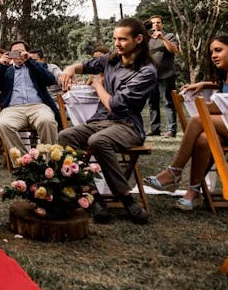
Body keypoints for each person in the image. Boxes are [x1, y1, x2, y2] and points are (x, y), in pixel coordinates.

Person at [58, 18, 157, 225]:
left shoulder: (146, 71)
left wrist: (97, 85)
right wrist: (69, 69)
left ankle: (126, 198)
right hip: (100, 121)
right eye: (115, 39)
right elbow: (84, 66)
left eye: (122, 39)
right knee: (65, 136)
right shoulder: (111, 59)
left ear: (139, 39)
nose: (117, 44)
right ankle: (92, 195)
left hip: (127, 125)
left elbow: (116, 105)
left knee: (98, 141)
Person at [144, 34, 228, 210]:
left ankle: (174, 171)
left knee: (199, 119)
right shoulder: (226, 73)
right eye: (212, 51)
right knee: (203, 140)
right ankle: (193, 193)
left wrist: (207, 106)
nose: (213, 55)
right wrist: (205, 85)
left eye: (218, 50)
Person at [0, 40, 60, 154]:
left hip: (39, 107)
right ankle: (24, 163)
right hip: (12, 109)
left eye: (20, 51)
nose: (18, 55)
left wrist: (29, 61)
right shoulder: (6, 70)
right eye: (14, 52)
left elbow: (50, 80)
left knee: (47, 121)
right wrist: (1, 66)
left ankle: (49, 163)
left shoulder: (37, 66)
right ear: (10, 55)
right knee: (3, 124)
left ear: (28, 52)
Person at [147, 15, 180, 137]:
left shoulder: (169, 36)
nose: (155, 25)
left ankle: (171, 130)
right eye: (153, 23)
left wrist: (162, 38)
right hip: (151, 76)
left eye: (158, 22)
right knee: (152, 103)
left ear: (162, 24)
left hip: (166, 75)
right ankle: (155, 129)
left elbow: (174, 50)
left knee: (168, 102)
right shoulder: (148, 38)